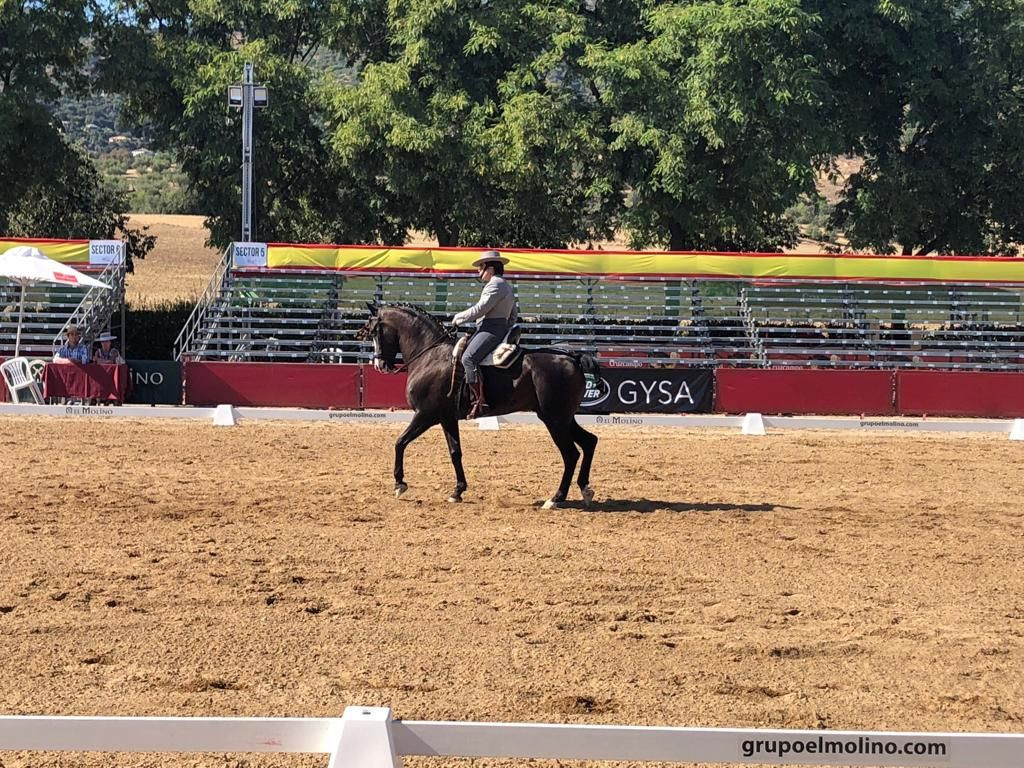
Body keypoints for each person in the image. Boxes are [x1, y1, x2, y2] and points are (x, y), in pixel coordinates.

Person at [453, 250, 518, 418]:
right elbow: (513, 314)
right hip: (496, 327)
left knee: (468, 358)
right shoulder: (506, 285)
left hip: (490, 329)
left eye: (480, 267)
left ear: (490, 268)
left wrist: (459, 317)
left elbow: (481, 309)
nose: (478, 271)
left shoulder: (495, 284)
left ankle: (479, 402)